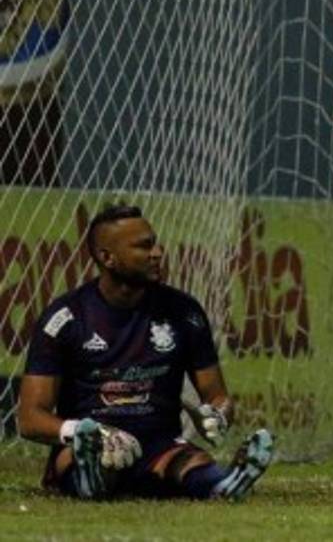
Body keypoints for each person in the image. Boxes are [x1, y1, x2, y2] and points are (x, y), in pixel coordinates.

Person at [17, 204, 275, 501]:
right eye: (144, 246)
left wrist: (217, 415)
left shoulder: (184, 312)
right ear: (106, 257)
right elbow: (29, 418)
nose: (157, 253)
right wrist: (88, 433)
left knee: (194, 462)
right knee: (82, 458)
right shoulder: (66, 318)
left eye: (154, 243)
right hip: (92, 444)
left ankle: (226, 484)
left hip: (161, 445)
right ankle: (92, 478)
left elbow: (217, 395)